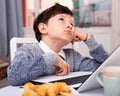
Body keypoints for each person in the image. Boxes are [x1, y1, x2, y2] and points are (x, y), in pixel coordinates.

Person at [7, 3, 109, 86]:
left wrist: (88, 39)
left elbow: (105, 69)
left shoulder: (73, 57)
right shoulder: (27, 51)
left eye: (72, 24)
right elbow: (14, 77)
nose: (69, 26)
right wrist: (51, 58)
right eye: (61, 19)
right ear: (43, 28)